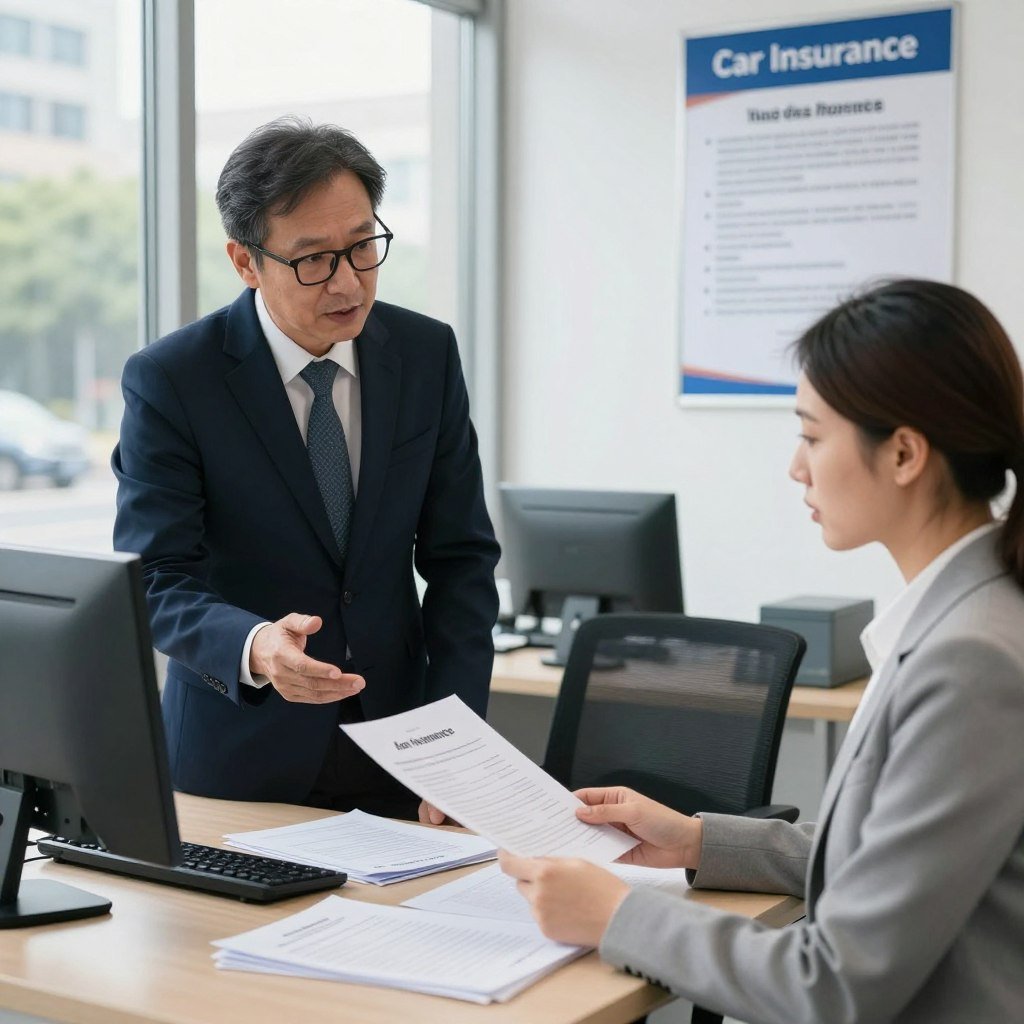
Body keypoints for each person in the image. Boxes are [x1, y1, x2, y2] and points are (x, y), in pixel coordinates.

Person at [500, 278, 1024, 1022]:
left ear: (905, 453)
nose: (796, 467)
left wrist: (615, 914)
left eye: (812, 436)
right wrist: (696, 839)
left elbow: (836, 984)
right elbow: (887, 856)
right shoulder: (968, 618)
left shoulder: (972, 661)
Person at [113, 117, 500, 822]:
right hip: (237, 761)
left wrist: (458, 741)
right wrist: (255, 645)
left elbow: (462, 561)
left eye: (363, 246)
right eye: (314, 259)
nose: (348, 281)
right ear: (244, 261)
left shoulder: (425, 355)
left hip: (402, 755)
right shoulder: (174, 379)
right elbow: (154, 579)